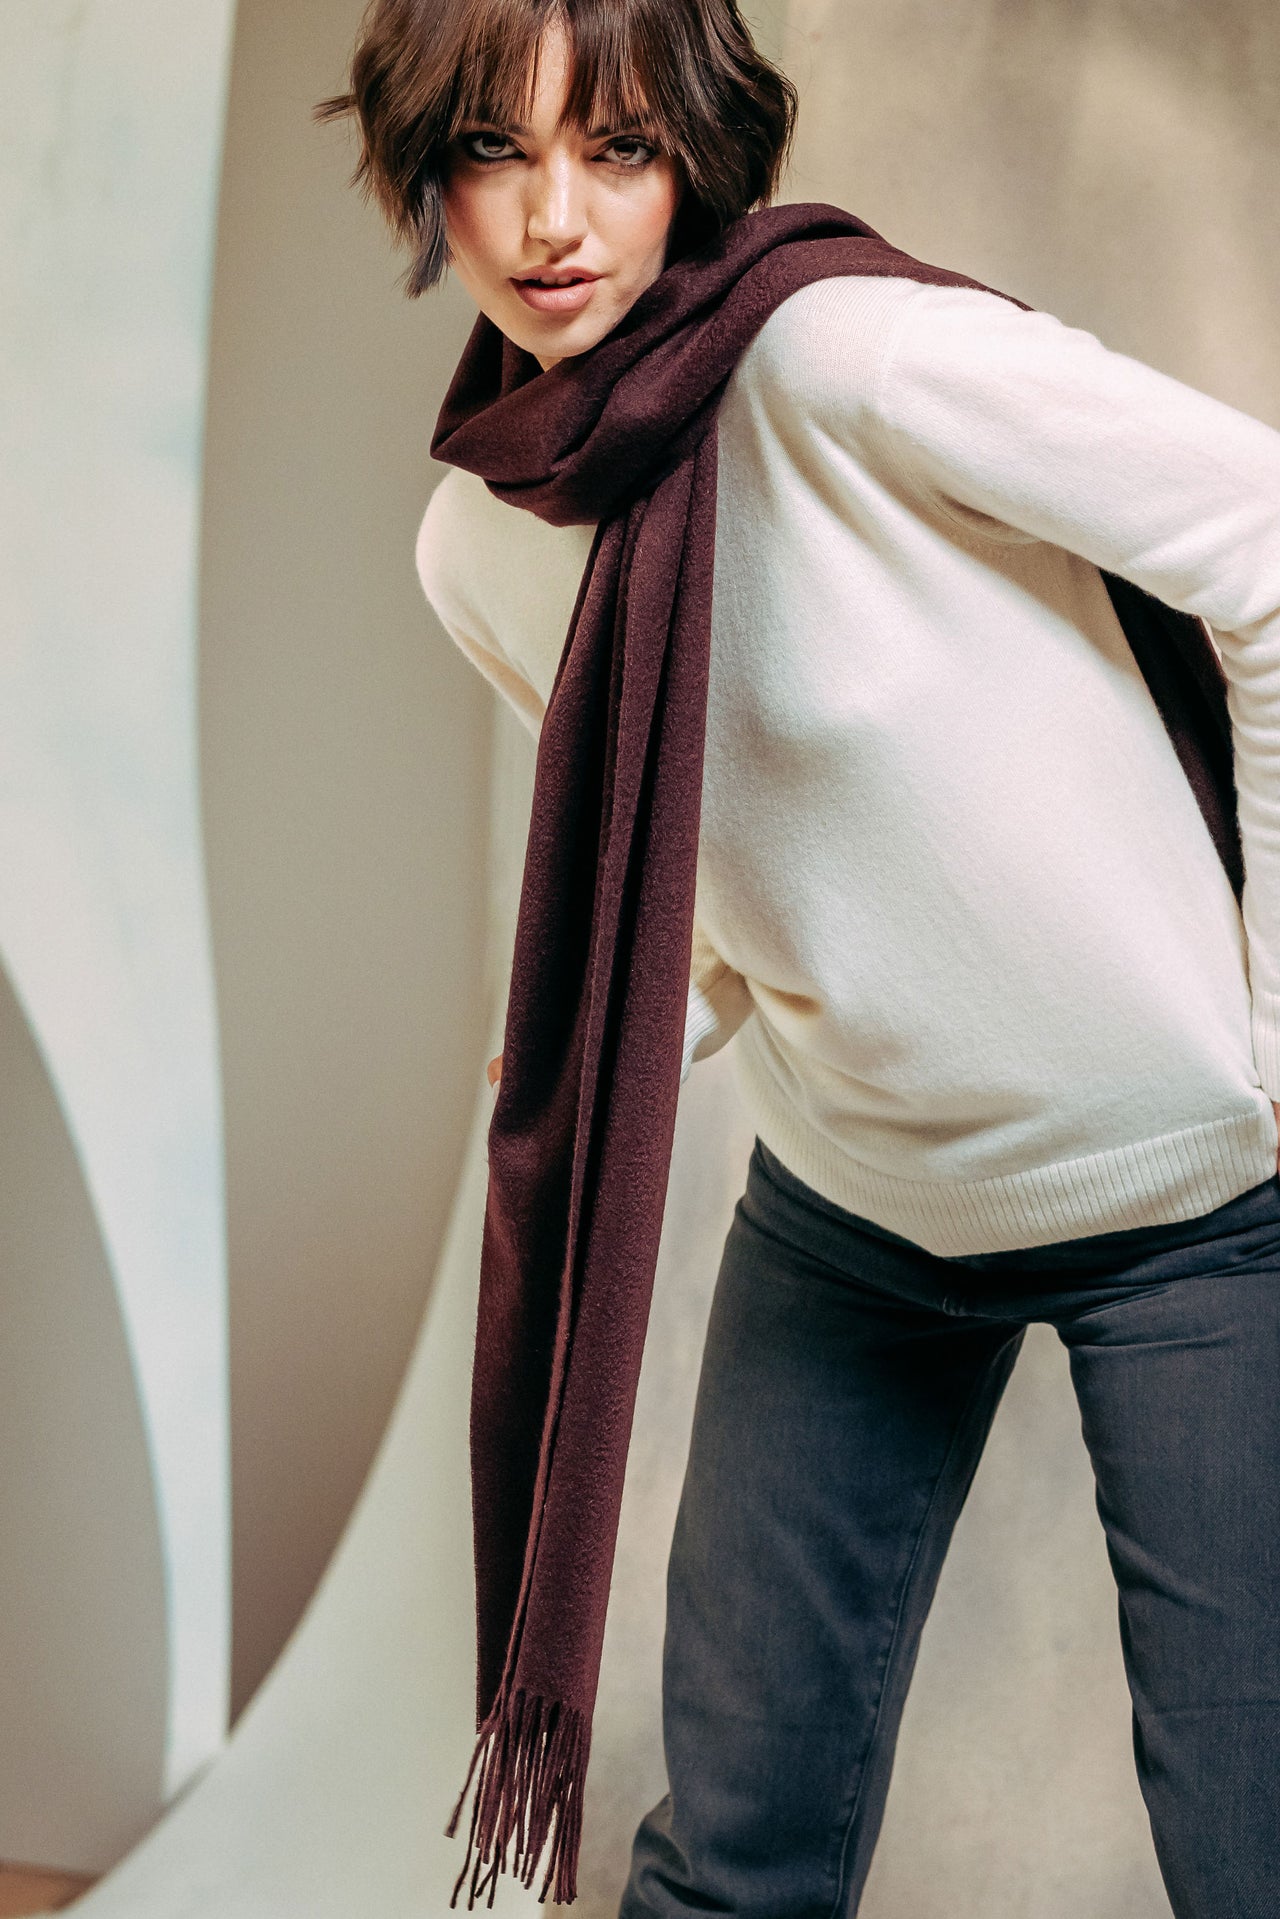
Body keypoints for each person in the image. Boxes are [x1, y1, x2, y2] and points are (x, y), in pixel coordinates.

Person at [317, 2, 1280, 1913]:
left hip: (1197, 1198)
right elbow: (718, 901)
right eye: (496, 155)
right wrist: (587, 1051)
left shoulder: (849, 360)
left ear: (698, 145)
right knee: (728, 1860)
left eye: (614, 146)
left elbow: (1266, 541)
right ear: (430, 181)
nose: (555, 218)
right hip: (858, 1216)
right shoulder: (483, 544)